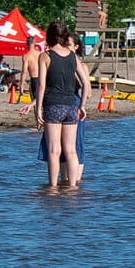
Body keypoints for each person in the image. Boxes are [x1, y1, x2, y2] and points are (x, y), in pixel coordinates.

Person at [35, 20, 88, 188]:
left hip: (53, 105)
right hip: (71, 105)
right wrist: (82, 106)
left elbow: (41, 85)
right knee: (71, 150)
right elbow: (86, 83)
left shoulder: (46, 56)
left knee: (53, 150)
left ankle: (52, 187)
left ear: (49, 36)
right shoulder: (72, 55)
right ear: (65, 35)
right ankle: (72, 188)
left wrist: (37, 109)